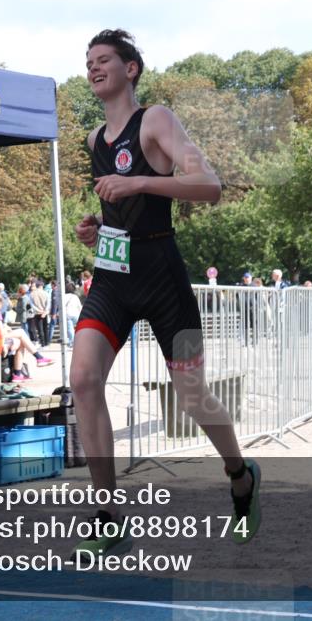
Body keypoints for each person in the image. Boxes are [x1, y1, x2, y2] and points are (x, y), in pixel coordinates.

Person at [70, 29, 260, 559]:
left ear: (130, 69)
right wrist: (93, 228)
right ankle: (107, 513)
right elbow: (117, 212)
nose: (93, 68)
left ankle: (240, 475)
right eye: (88, 62)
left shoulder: (155, 120)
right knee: (83, 379)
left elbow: (210, 185)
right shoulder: (92, 141)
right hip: (113, 276)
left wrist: (140, 184)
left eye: (103, 59)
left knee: (193, 396)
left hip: (161, 275)